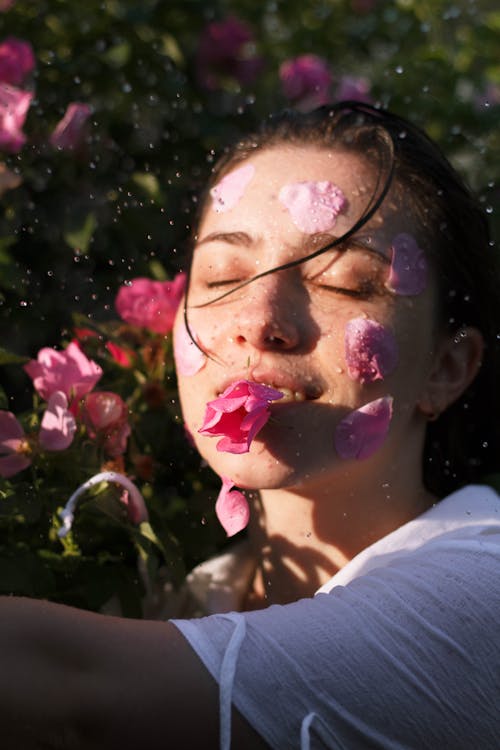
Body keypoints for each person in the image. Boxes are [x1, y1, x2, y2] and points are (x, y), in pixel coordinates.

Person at [2, 101, 500, 749]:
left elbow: (69, 691)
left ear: (447, 367)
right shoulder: (188, 593)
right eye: (221, 275)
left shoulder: (478, 591)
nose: (259, 318)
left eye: (346, 283)